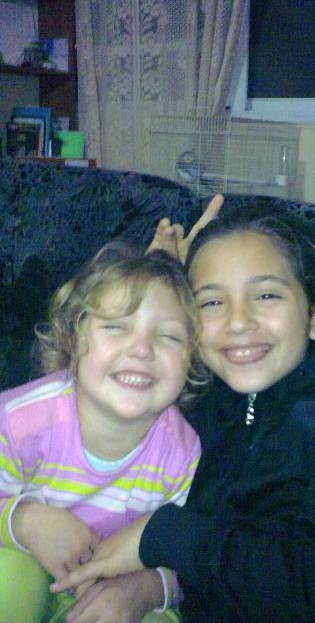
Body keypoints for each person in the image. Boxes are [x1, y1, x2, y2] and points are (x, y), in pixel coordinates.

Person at [52, 201, 315, 622]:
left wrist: (162, 536)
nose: (238, 322)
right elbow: (70, 422)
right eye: (212, 302)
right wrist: (150, 303)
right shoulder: (209, 385)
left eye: (266, 295)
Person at [0, 242, 205, 623]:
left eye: (169, 336)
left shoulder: (183, 455)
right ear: (73, 337)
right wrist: (23, 521)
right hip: (23, 565)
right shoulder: (20, 420)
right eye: (115, 326)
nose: (141, 349)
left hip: (117, 595)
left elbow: (193, 560)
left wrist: (147, 588)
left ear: (191, 359)